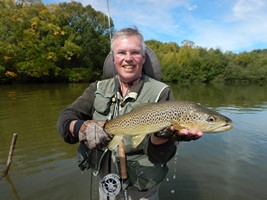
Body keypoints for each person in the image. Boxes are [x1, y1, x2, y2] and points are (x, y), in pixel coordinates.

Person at [56, 27, 203, 200]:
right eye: (121, 52)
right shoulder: (97, 88)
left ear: (143, 57)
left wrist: (161, 138)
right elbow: (64, 120)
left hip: (142, 191)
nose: (128, 59)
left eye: (134, 52)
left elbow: (160, 156)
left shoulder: (161, 92)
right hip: (107, 184)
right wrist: (81, 128)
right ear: (113, 58)